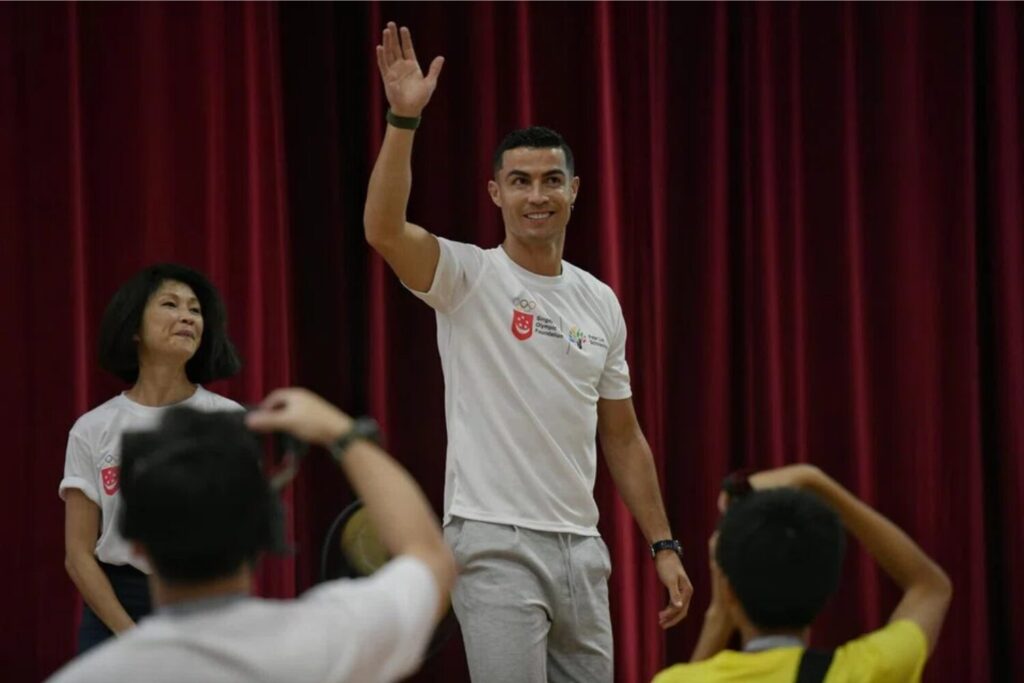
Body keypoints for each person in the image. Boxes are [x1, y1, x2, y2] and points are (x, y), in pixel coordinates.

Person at [364, 22, 693, 682]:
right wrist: (403, 121)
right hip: (493, 540)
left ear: (575, 190)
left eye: (550, 180)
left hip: (583, 547)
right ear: (495, 193)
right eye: (519, 181)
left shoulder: (599, 301)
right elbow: (383, 229)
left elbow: (622, 438)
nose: (536, 195)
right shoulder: (468, 277)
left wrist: (662, 542)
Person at [47, 388, 456, 683]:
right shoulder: (328, 641)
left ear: (138, 545)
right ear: (265, 533)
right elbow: (431, 559)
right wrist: (339, 432)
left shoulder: (91, 675)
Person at [60, 263, 243, 652]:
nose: (187, 317)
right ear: (134, 329)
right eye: (170, 304)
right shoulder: (93, 428)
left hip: (200, 605)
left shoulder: (227, 420)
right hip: (113, 608)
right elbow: (78, 555)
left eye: (195, 310)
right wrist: (130, 635)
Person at [654, 464, 953, 683]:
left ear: (728, 590)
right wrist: (814, 480)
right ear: (829, 586)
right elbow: (930, 587)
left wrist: (719, 616)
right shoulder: (865, 671)